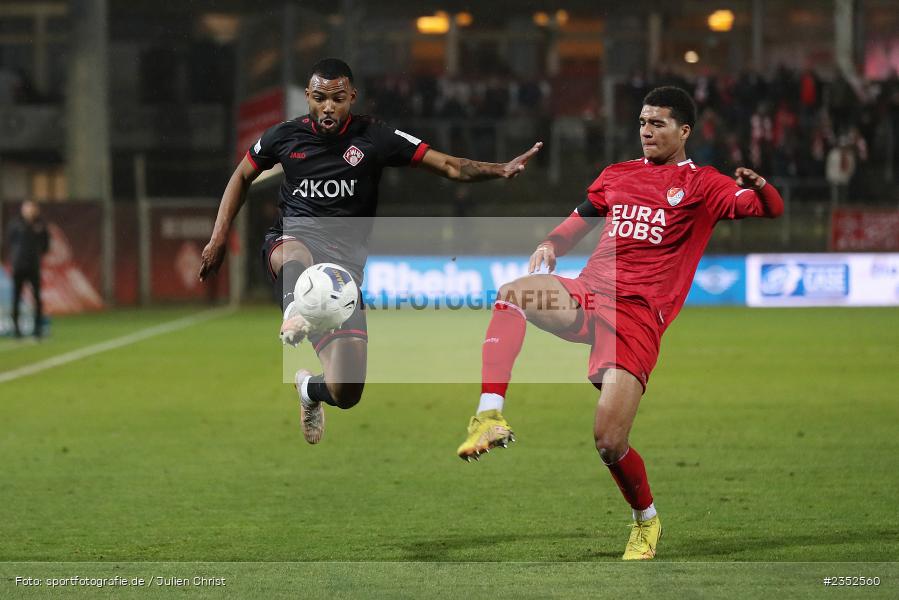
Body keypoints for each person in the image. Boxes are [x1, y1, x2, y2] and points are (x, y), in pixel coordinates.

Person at [456, 86, 784, 560]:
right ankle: (489, 416)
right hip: (590, 292)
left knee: (608, 442)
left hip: (638, 318)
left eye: (658, 124)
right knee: (513, 294)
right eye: (643, 122)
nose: (646, 131)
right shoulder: (618, 174)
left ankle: (645, 521)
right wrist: (551, 245)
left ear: (684, 130)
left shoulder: (703, 184)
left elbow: (768, 209)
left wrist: (762, 187)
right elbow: (578, 221)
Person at [198, 58, 541, 444]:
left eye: (338, 99)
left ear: (352, 98)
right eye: (320, 98)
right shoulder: (284, 136)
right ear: (309, 97)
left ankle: (310, 390)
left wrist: (500, 169)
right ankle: (296, 311)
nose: (328, 107)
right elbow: (243, 174)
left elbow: (449, 166)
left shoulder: (375, 137)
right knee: (296, 255)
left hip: (343, 276)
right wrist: (218, 237)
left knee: (348, 391)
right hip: (292, 242)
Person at [6, 200, 50, 339]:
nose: (29, 210)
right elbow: (9, 242)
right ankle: (16, 330)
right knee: (16, 298)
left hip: (34, 266)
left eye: (32, 208)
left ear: (36, 209)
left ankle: (38, 329)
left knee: (37, 298)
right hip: (18, 266)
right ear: (22, 209)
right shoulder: (15, 224)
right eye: (27, 208)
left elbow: (45, 245)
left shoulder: (40, 224)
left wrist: (36, 254)